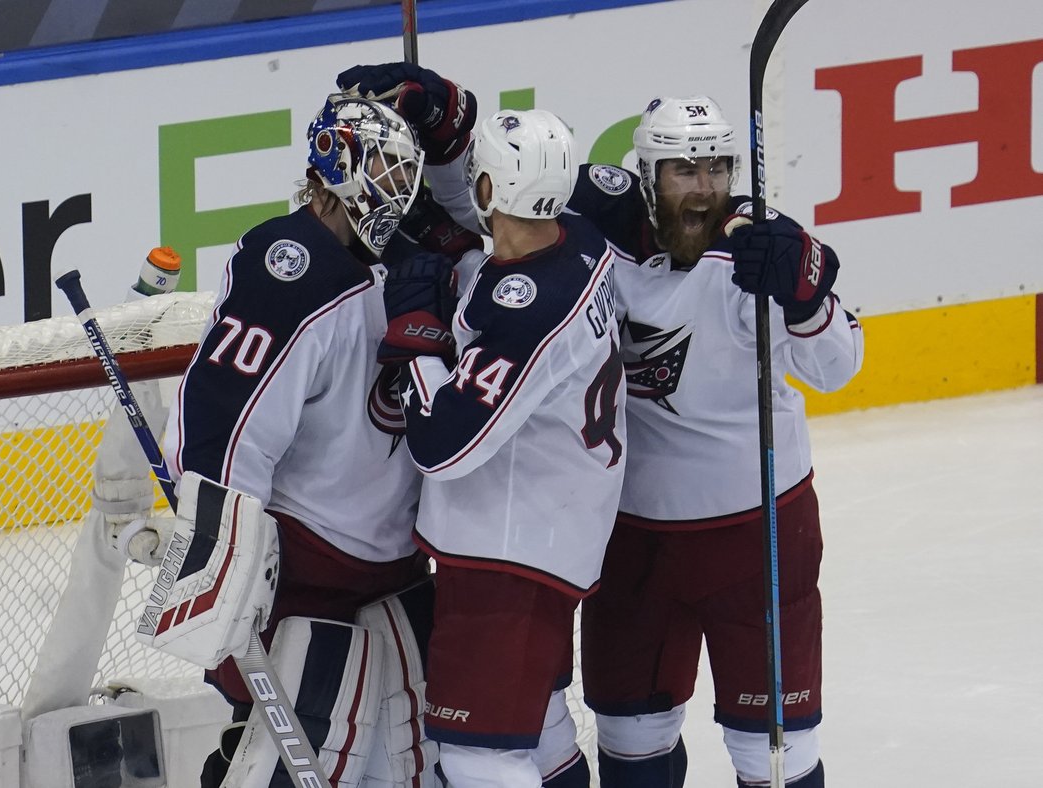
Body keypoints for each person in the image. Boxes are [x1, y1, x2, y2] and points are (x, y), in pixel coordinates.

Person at [339, 66, 863, 788]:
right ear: (646, 172)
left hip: (756, 532)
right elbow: (488, 209)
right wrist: (446, 123)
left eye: (717, 167)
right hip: (631, 536)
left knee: (770, 751)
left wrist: (807, 297)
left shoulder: (760, 252)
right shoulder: (589, 223)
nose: (705, 188)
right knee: (631, 736)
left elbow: (839, 366)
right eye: (685, 169)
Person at [128, 94, 443, 788]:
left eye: (405, 171)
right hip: (301, 572)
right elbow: (226, 420)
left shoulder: (409, 265)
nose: (399, 189)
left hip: (394, 565)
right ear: (335, 168)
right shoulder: (289, 266)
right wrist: (218, 546)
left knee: (399, 760)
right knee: (275, 755)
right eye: (384, 169)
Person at [372, 107, 628, 788]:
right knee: (540, 732)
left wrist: (417, 333)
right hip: (551, 530)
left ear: (490, 189)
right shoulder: (580, 238)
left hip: (506, 555)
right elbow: (491, 262)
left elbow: (444, 445)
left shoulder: (529, 314)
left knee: (479, 756)